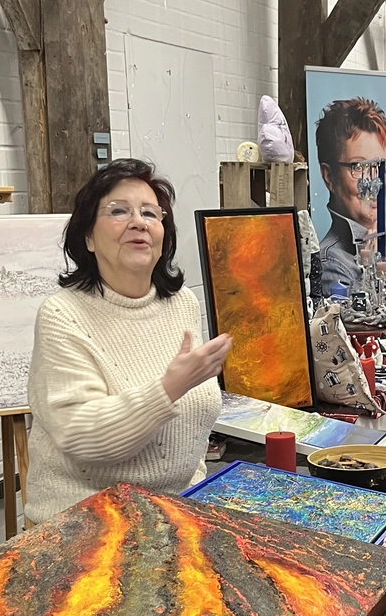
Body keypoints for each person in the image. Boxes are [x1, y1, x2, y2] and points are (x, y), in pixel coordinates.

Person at [25, 158, 231, 524]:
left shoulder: (182, 303)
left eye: (151, 214)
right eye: (119, 211)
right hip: (84, 526)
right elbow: (84, 438)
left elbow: (193, 428)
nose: (139, 222)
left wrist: (197, 500)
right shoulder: (62, 315)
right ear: (88, 237)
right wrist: (170, 387)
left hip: (176, 516)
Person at [315, 98, 386, 293]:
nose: (373, 184)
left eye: (380, 167)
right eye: (359, 168)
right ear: (329, 176)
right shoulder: (331, 265)